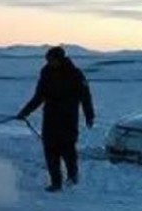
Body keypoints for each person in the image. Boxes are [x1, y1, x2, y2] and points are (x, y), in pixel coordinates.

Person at [16, 46, 95, 192]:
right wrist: (25, 112)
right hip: (50, 117)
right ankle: (55, 182)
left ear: (60, 59)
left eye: (51, 60)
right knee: (50, 150)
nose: (49, 63)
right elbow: (39, 96)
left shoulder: (75, 74)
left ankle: (72, 176)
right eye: (48, 60)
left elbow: (85, 96)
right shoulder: (46, 72)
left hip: (68, 118)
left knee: (68, 150)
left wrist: (89, 115)